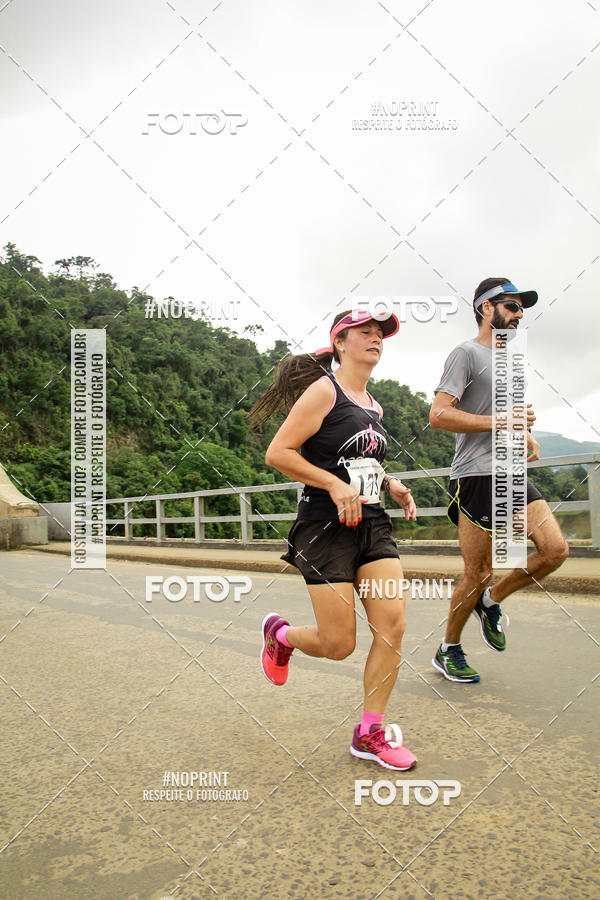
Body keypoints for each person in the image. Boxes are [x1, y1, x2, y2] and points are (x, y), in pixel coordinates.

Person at [248, 309, 418, 770]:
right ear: (340, 342)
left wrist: (391, 484)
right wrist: (332, 484)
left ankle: (370, 733)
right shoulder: (324, 391)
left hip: (371, 522)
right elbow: (278, 453)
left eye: (380, 334)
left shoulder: (374, 405)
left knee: (394, 624)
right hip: (325, 526)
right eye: (365, 332)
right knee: (339, 644)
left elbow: (363, 464)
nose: (375, 339)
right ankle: (281, 635)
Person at [428, 277, 569, 682]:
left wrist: (524, 431)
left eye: (522, 308)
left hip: (511, 470)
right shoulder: (466, 353)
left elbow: (505, 413)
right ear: (485, 309)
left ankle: (491, 601)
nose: (519, 314)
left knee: (555, 550)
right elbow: (439, 415)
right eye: (511, 305)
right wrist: (501, 421)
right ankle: (448, 648)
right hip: (475, 475)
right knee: (478, 571)